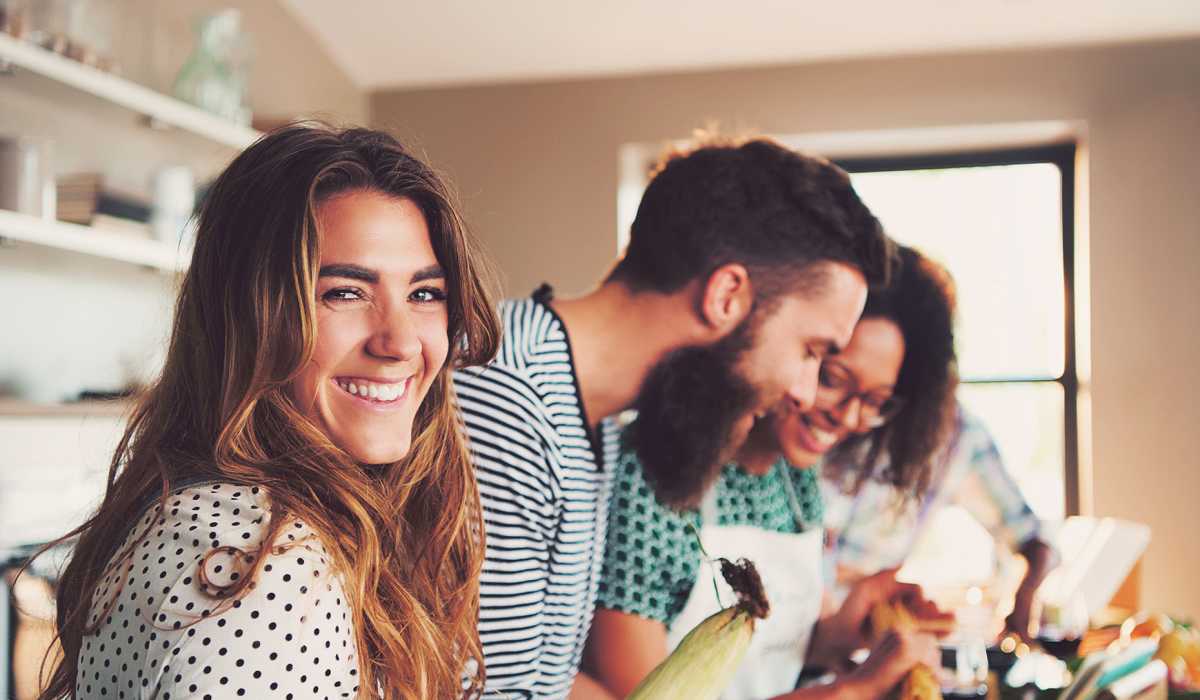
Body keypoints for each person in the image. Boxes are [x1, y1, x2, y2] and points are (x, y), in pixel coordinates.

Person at [29, 123, 502, 699]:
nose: (401, 342)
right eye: (344, 293)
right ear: (248, 319)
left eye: (424, 294)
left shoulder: (250, 522)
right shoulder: (258, 572)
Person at [453, 135, 894, 698]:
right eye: (811, 351)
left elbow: (540, 682)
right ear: (727, 295)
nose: (804, 394)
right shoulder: (507, 397)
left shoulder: (589, 419)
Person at [586, 245, 956, 699]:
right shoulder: (656, 475)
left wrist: (845, 630)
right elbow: (639, 698)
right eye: (834, 379)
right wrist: (852, 692)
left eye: (875, 402)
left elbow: (767, 654)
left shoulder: (796, 482)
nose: (847, 417)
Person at [821, 401, 1056, 641]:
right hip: (800, 622)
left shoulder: (959, 436)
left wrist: (1024, 596)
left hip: (851, 634)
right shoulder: (844, 406)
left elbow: (1032, 535)